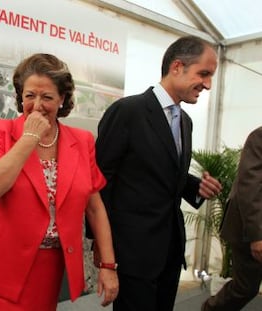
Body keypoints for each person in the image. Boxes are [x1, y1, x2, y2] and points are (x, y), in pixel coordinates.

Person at [0, 53, 118, 311]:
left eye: (47, 97)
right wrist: (29, 138)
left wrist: (108, 265)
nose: (37, 105)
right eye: (30, 95)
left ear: (62, 100)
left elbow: (95, 208)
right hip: (1, 262)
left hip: (49, 264)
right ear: (21, 97)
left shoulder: (82, 141)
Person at [91, 36, 223, 311]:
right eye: (204, 74)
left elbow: (157, 171)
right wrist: (104, 252)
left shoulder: (185, 121)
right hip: (132, 253)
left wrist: (195, 187)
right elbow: (100, 183)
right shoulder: (127, 111)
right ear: (177, 67)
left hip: (170, 253)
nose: (208, 84)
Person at [202, 126, 262, 311]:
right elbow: (250, 187)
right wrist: (257, 236)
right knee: (245, 287)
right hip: (251, 226)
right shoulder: (259, 137)